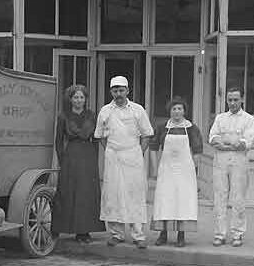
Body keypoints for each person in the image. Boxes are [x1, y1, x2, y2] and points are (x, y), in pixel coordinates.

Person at [94, 75, 154, 249]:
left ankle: (138, 235)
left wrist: (137, 153)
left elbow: (146, 134)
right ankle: (116, 234)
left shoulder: (137, 110)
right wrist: (111, 151)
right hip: (113, 157)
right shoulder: (105, 110)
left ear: (128, 91)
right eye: (115, 90)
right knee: (113, 195)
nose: (118, 94)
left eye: (121, 90)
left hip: (133, 156)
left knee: (135, 194)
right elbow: (100, 137)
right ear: (111, 91)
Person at [52, 84, 104, 243]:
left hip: (88, 155)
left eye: (82, 97)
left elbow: (95, 139)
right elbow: (59, 141)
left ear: (85, 99)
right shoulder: (63, 116)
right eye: (76, 97)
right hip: (71, 156)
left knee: (86, 193)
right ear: (70, 99)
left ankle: (84, 232)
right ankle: (60, 228)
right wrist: (62, 160)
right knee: (67, 191)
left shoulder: (91, 115)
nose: (79, 100)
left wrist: (94, 160)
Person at [150, 99, 203, 247]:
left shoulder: (192, 128)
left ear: (184, 111)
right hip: (166, 169)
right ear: (170, 111)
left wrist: (194, 168)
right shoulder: (162, 128)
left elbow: (197, 150)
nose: (177, 112)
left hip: (185, 171)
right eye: (174, 109)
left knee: (183, 201)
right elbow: (153, 148)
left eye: (180, 108)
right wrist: (154, 169)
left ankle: (181, 235)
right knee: (165, 200)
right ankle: (163, 234)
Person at [208, 87, 254, 247]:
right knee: (220, 197)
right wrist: (230, 143)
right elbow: (213, 138)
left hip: (239, 162)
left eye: (236, 99)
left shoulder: (249, 119)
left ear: (242, 99)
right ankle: (220, 233)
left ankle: (237, 233)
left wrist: (226, 143)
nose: (233, 103)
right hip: (220, 162)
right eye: (230, 100)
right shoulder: (220, 118)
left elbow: (245, 143)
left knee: (238, 198)